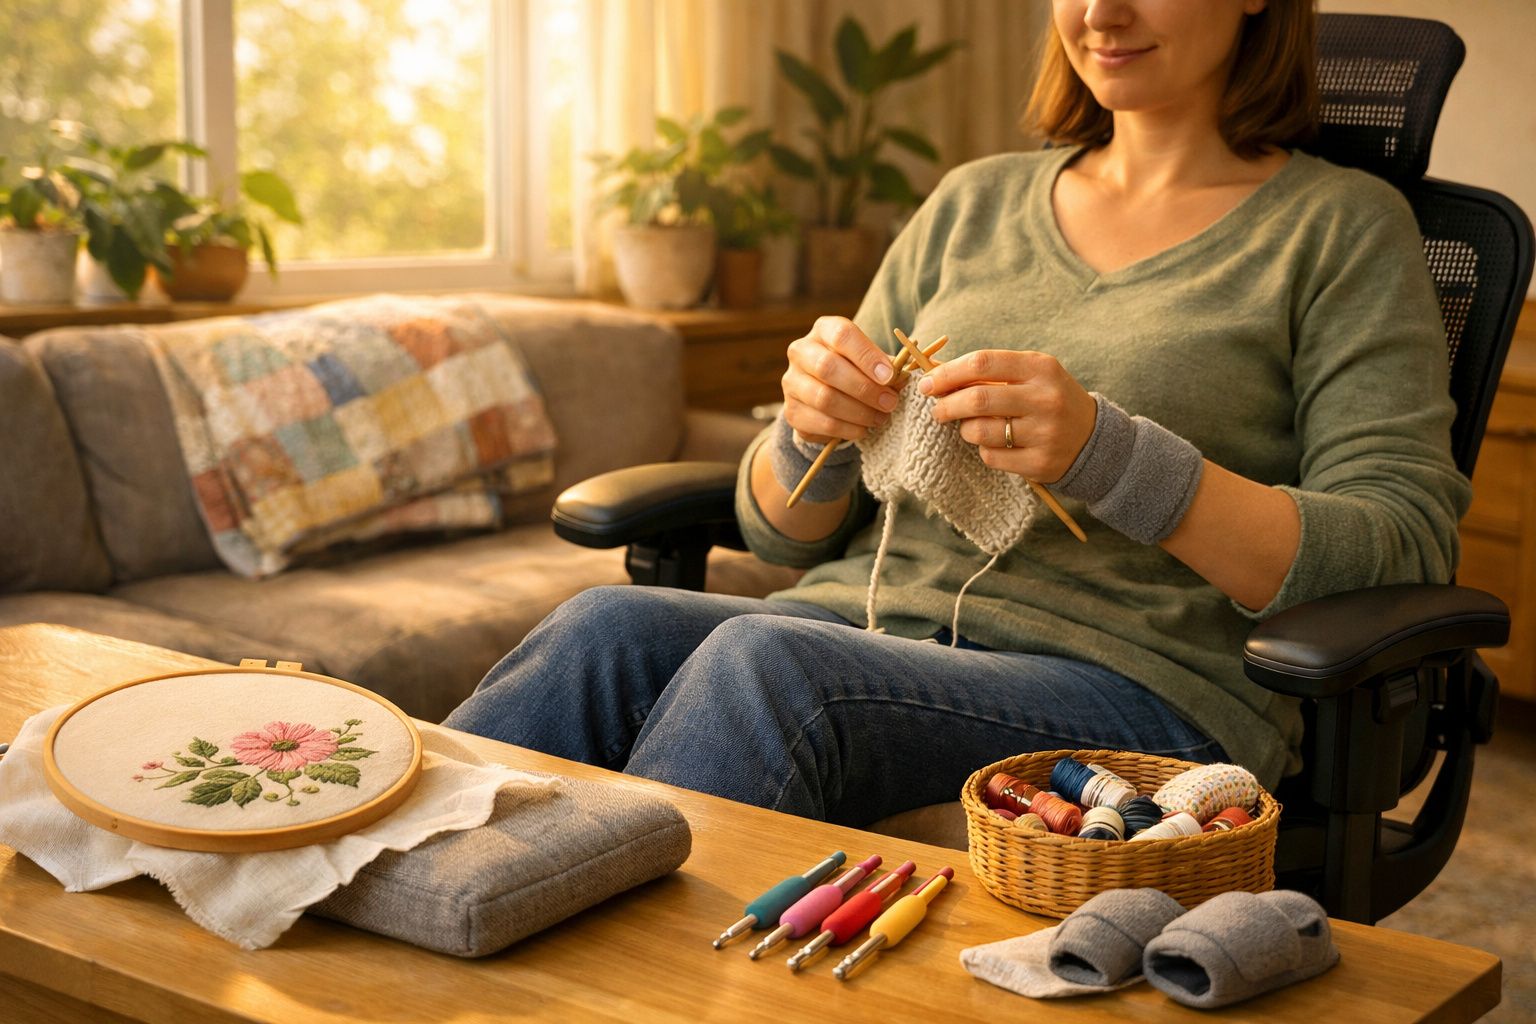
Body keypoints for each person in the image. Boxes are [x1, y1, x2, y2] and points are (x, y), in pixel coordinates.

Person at [445, 0, 1468, 826]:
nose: (1100, 12)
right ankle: (352, 917)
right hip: (863, 625)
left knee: (768, 662)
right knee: (602, 626)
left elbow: (1400, 543)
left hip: (1134, 690)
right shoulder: (973, 202)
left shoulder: (1340, 230)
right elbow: (784, 533)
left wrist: (1111, 458)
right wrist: (813, 428)